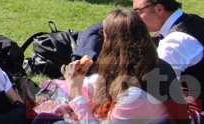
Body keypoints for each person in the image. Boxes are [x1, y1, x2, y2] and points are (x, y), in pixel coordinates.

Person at [58, 9, 189, 123]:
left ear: (112, 44)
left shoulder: (135, 94)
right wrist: (81, 81)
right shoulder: (149, 64)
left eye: (104, 36)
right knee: (46, 117)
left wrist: (76, 92)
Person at [132, 0, 204, 116]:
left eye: (139, 11)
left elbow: (157, 87)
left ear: (159, 9)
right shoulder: (194, 20)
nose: (136, 18)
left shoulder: (175, 41)